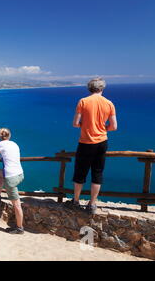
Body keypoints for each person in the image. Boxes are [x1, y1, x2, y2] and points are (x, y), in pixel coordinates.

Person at [67, 78, 118, 214]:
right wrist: (102, 128)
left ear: (89, 88)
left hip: (85, 142)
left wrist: (87, 125)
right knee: (97, 172)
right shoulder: (109, 103)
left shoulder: (83, 101)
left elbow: (75, 123)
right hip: (102, 142)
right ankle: (92, 204)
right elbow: (114, 126)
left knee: (80, 172)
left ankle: (76, 201)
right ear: (102, 88)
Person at [0, 128, 25, 234]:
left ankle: (19, 228)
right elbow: (5, 150)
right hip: (20, 174)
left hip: (11, 178)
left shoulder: (0, 145)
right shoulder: (14, 144)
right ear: (9, 136)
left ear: (0, 136)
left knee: (17, 204)